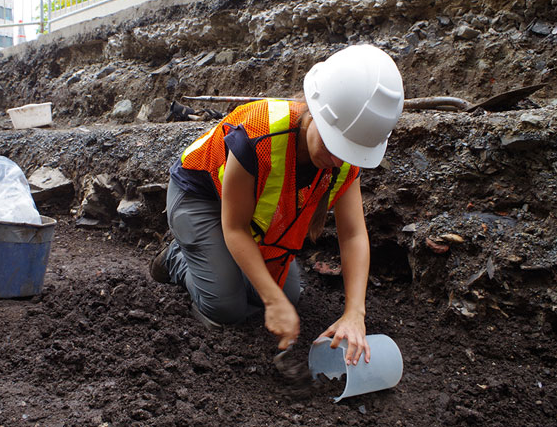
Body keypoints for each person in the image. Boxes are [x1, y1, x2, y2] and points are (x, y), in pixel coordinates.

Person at [150, 44, 404, 365]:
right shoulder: (258, 135)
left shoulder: (345, 157)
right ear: (314, 111)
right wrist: (272, 301)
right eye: (332, 142)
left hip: (247, 211)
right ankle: (177, 257)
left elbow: (353, 235)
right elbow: (235, 227)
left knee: (289, 297)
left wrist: (355, 313)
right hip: (200, 197)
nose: (336, 159)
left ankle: (217, 263)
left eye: (348, 151)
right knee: (227, 309)